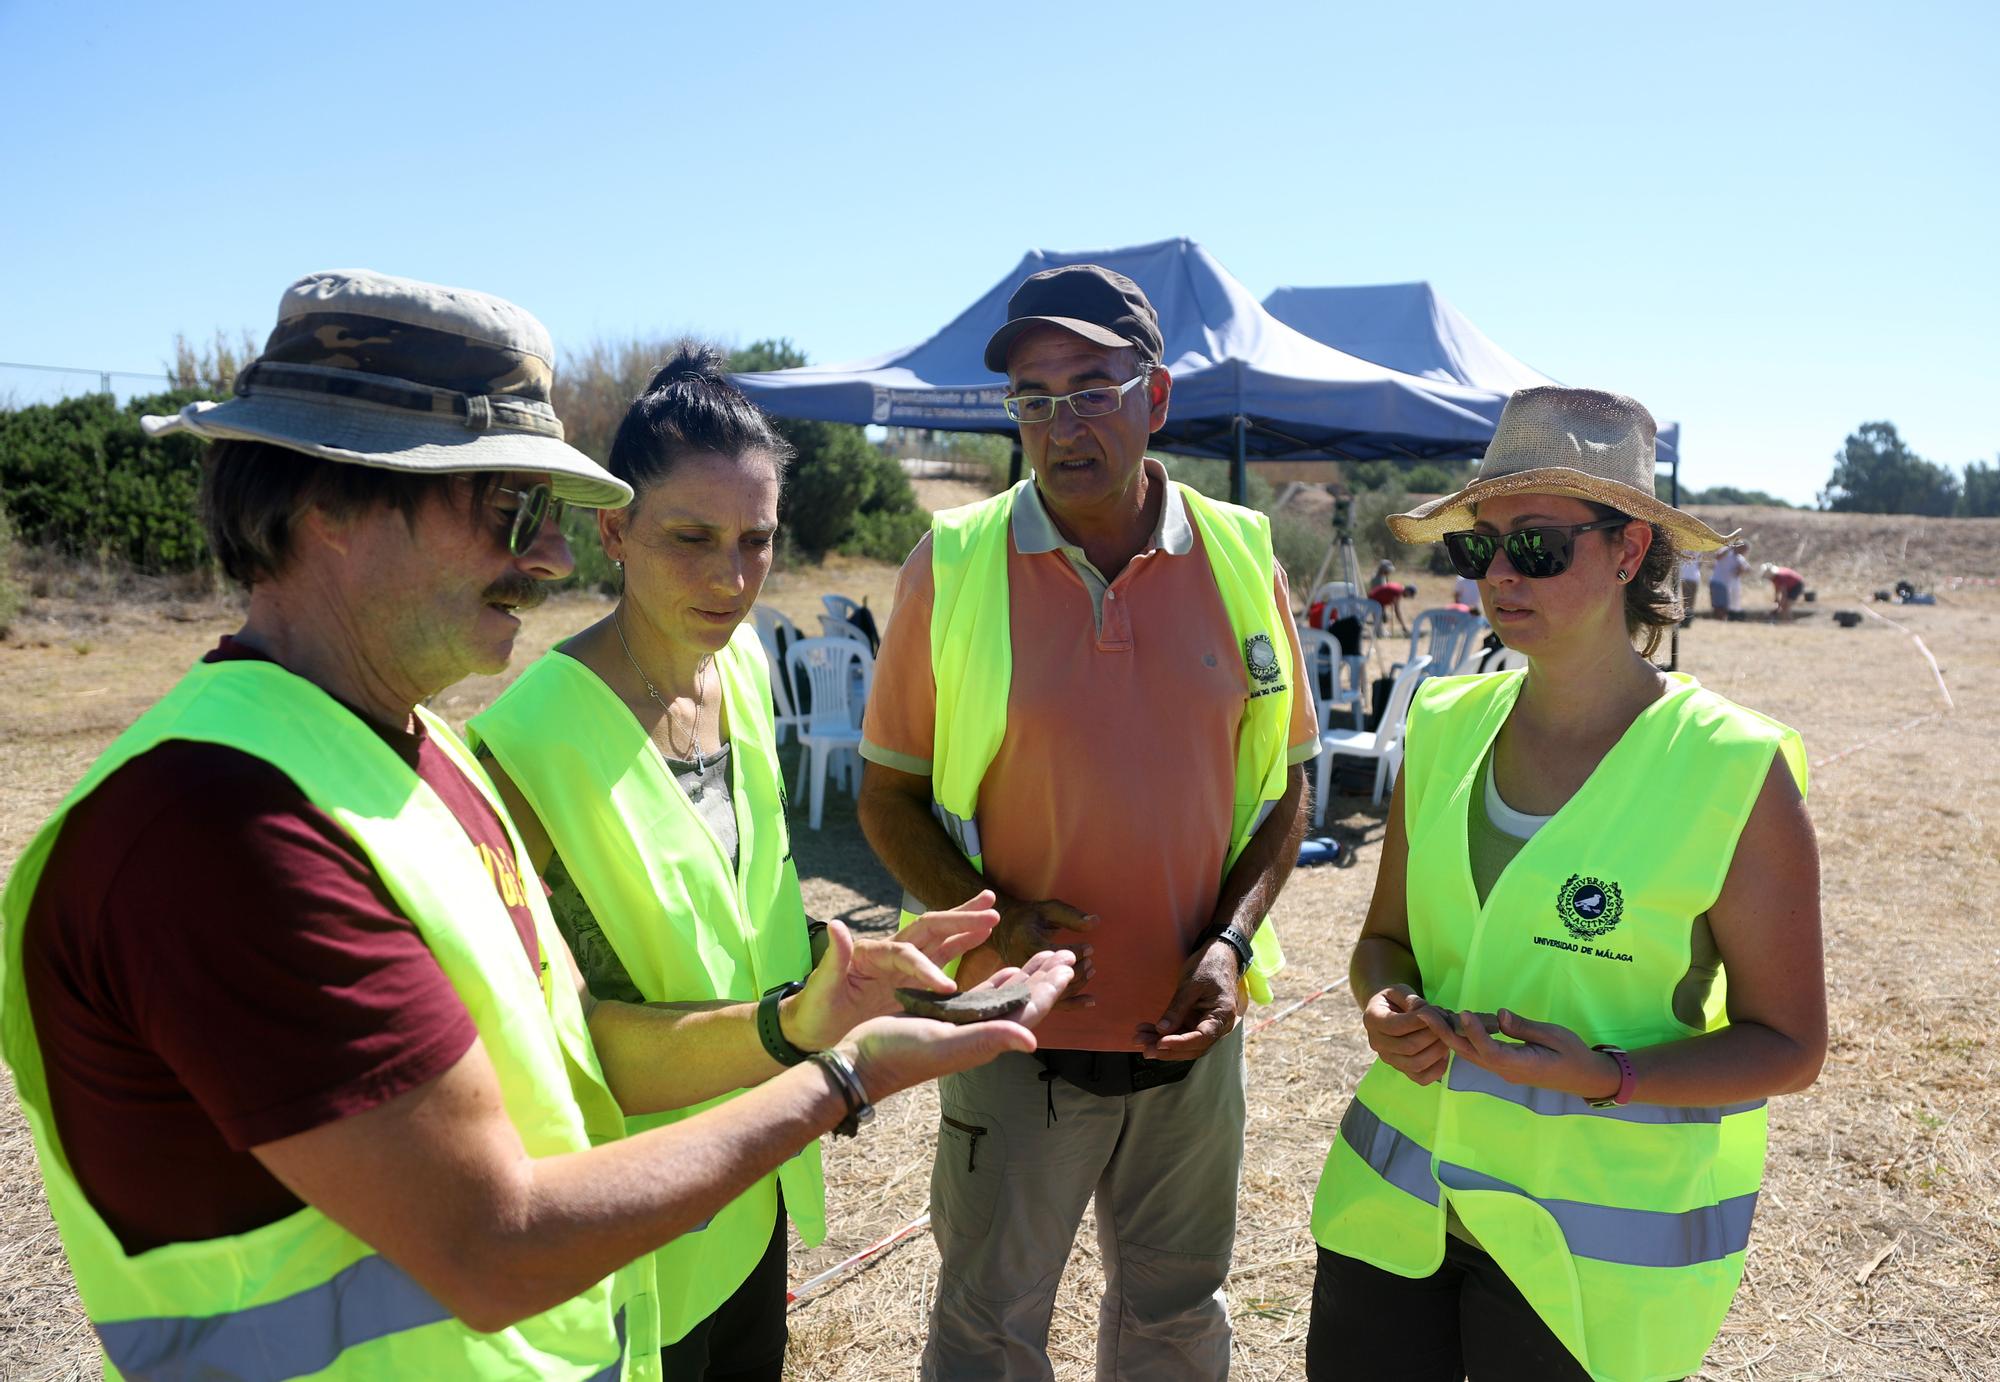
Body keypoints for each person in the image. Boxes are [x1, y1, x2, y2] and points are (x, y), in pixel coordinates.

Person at [0, 270, 1074, 1382]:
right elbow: (489, 1242)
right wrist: (842, 1076)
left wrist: (805, 1015)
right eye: (508, 510)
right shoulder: (216, 829)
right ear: (329, 507)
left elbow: (575, 1060)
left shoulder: (415, 755)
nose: (552, 558)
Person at [467, 344, 999, 1379]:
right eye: (692, 537)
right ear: (612, 530)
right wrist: (791, 1027)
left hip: (751, 1187)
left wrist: (858, 965)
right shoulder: (520, 748)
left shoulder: (739, 667)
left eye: (755, 540)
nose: (730, 576)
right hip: (631, 1236)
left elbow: (744, 916)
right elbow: (568, 1046)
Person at [1305, 387, 1825, 1382]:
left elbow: (1788, 1044)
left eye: (1535, 545)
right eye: (1477, 546)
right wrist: (1379, 999)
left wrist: (1605, 1075)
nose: (1497, 573)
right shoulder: (1443, 724)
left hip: (1586, 1262)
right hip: (1396, 1214)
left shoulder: (1729, 768)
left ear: (1627, 551)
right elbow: (1383, 942)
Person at [856, 263, 1319, 1380]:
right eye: (1031, 399)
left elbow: (1288, 783)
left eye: (1089, 389)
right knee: (986, 1327)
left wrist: (1229, 944)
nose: (1058, 425)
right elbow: (885, 793)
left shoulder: (1242, 554)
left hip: (1189, 1038)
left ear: (1154, 398)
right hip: (1012, 1040)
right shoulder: (954, 563)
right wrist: (1003, 925)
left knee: (1175, 1314)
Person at [1711, 539, 1749, 619]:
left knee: (1725, 606)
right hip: (1718, 581)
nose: (1744, 552)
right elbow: (1717, 556)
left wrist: (1740, 570)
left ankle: (1722, 620)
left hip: (1728, 585)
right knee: (1718, 606)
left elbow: (1746, 570)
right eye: (1743, 549)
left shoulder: (1740, 558)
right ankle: (1718, 620)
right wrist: (1731, 547)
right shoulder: (1727, 551)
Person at [1679, 551, 1702, 624]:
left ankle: (1685, 619)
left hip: (1686, 575)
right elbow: (1700, 563)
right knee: (1690, 600)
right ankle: (1687, 619)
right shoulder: (1700, 548)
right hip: (1692, 576)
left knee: (1685, 600)